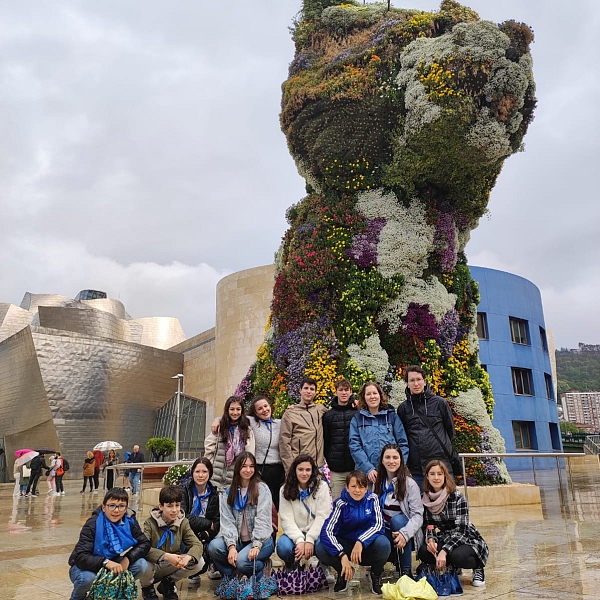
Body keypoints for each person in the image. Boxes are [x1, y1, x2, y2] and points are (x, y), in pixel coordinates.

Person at [68, 487, 152, 600]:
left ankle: (114, 593)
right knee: (88, 579)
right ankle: (77, 598)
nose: (116, 510)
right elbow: (80, 556)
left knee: (141, 565)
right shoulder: (93, 524)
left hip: (113, 561)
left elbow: (144, 543)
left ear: (126, 508)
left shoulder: (129, 522)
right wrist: (105, 562)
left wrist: (127, 559)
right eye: (112, 505)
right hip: (84, 566)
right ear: (104, 507)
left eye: (121, 506)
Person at [315, 470, 390, 595]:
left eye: (361, 487)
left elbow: (378, 525)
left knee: (384, 544)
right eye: (353, 486)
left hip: (365, 548)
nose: (357, 490)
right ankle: (343, 572)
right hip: (346, 546)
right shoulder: (340, 504)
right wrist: (341, 554)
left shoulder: (373, 499)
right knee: (320, 546)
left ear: (366, 488)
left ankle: (376, 574)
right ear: (347, 487)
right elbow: (327, 531)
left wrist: (361, 541)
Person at [419, 460, 488, 587]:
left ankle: (478, 567)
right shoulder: (425, 499)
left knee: (458, 556)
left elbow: (463, 530)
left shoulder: (457, 497)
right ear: (427, 476)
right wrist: (431, 540)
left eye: (439, 474)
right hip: (445, 537)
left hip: (467, 538)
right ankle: (452, 567)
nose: (436, 477)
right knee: (424, 551)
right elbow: (429, 526)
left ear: (445, 476)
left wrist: (444, 551)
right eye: (432, 474)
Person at [208, 452, 275, 582]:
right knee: (214, 547)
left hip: (262, 541)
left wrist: (256, 545)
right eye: (244, 466)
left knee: (243, 561)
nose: (248, 470)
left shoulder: (262, 489)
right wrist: (231, 546)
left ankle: (262, 568)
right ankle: (233, 574)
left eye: (251, 466)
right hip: (239, 542)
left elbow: (263, 519)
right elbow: (227, 523)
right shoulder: (229, 492)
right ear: (238, 468)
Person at [140, 485, 204, 600]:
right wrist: (166, 556)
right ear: (161, 506)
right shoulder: (149, 523)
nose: (174, 510)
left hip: (172, 565)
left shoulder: (183, 522)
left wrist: (188, 557)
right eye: (169, 506)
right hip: (154, 564)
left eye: (177, 505)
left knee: (199, 562)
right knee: (142, 564)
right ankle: (147, 588)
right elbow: (143, 548)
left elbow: (197, 544)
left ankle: (167, 583)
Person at [397, 365, 455, 489]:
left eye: (418, 379)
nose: (416, 383)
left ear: (424, 381)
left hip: (441, 466)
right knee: (419, 507)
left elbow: (450, 430)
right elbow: (402, 436)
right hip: (417, 470)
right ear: (407, 384)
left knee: (446, 504)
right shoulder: (403, 408)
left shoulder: (440, 403)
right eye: (412, 380)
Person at [374, 443, 423, 579]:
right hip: (386, 531)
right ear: (382, 460)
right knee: (377, 539)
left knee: (398, 520)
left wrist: (404, 533)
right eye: (387, 457)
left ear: (401, 460)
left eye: (395, 457)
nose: (391, 461)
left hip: (406, 533)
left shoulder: (409, 484)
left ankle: (405, 570)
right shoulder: (378, 482)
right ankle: (376, 571)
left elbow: (418, 516)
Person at [349, 382, 409, 485]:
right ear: (364, 397)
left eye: (375, 393)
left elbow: (403, 444)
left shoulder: (392, 417)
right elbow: (355, 446)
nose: (372, 397)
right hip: (366, 475)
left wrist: (396, 467)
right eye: (368, 394)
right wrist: (368, 469)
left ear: (380, 395)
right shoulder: (357, 419)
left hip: (391, 474)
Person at [277, 454, 331, 568]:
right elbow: (287, 520)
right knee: (283, 547)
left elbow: (323, 516)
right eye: (300, 469)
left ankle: (324, 566)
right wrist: (300, 540)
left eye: (308, 470)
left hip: (317, 532)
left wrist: (310, 539)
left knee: (324, 545)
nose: (304, 473)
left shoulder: (322, 487)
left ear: (313, 471)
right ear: (294, 470)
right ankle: (292, 565)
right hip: (297, 531)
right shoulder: (284, 490)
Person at [180, 456, 220, 585]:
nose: (200, 475)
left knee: (214, 547)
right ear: (192, 473)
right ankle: (190, 572)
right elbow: (183, 516)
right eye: (197, 471)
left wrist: (206, 533)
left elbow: (217, 522)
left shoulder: (214, 494)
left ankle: (211, 566)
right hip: (186, 533)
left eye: (204, 472)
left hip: (205, 535)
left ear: (210, 473)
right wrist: (207, 524)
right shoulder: (184, 490)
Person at [204, 396, 255, 492]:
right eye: (232, 409)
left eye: (238, 409)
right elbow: (209, 449)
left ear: (242, 410)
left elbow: (250, 454)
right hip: (214, 477)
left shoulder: (247, 430)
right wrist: (208, 468)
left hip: (235, 480)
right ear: (227, 410)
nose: (235, 412)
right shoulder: (220, 427)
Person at [279, 377, 327, 474]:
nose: (309, 391)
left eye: (312, 389)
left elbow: (337, 413)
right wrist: (290, 469)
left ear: (315, 392)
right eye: (306, 388)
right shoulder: (291, 413)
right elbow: (284, 442)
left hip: (318, 466)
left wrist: (354, 403)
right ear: (300, 390)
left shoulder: (320, 409)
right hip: (300, 467)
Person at [248, 395, 285, 511]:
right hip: (261, 470)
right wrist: (217, 420)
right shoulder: (252, 422)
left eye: (266, 406)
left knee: (278, 505)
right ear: (255, 412)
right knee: (263, 506)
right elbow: (232, 416)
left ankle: (276, 529)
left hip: (279, 470)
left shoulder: (279, 423)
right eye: (259, 409)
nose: (264, 410)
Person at [323, 378, 357, 500]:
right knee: (338, 502)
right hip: (336, 469)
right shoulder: (328, 415)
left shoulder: (357, 412)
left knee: (356, 502)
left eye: (346, 390)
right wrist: (331, 460)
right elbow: (326, 440)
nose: (343, 393)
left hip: (355, 467)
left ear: (351, 392)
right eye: (340, 390)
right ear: (336, 392)